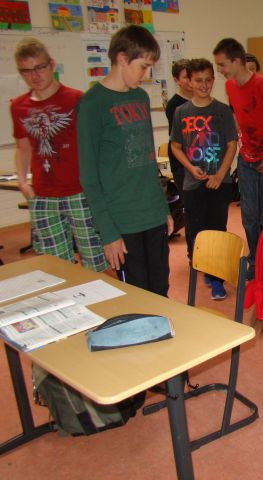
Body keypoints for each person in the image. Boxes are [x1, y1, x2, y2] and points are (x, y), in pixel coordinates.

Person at [78, 25, 173, 296]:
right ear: (121, 58)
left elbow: (146, 160)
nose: (147, 75)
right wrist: (108, 232)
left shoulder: (140, 97)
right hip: (122, 220)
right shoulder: (93, 104)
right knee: (137, 293)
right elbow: (88, 175)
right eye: (143, 67)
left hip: (152, 214)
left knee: (160, 289)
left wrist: (162, 208)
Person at [10, 38, 108, 273]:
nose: (34, 75)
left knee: (93, 259)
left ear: (51, 64)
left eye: (39, 67)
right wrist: (22, 181)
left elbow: (94, 144)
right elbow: (22, 147)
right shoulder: (18, 106)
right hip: (43, 194)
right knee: (54, 265)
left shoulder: (75, 99)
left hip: (78, 191)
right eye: (26, 71)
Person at [213, 38, 263, 278]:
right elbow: (237, 116)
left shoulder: (262, 84)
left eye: (222, 65)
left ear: (236, 60)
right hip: (246, 158)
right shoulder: (230, 87)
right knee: (249, 216)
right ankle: (255, 259)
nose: (219, 70)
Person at [170, 58, 237, 300]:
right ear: (189, 82)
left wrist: (220, 173)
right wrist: (190, 167)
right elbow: (176, 146)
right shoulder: (181, 112)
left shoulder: (221, 110)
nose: (204, 84)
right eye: (199, 80)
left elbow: (232, 144)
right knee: (197, 231)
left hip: (220, 182)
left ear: (213, 80)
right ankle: (206, 269)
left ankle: (217, 279)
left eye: (209, 79)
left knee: (217, 229)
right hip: (193, 182)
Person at [165, 58, 193, 199]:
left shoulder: (201, 100)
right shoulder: (174, 105)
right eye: (185, 77)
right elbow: (179, 139)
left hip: (201, 161)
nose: (190, 80)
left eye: (192, 76)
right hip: (183, 165)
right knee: (191, 205)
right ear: (177, 80)